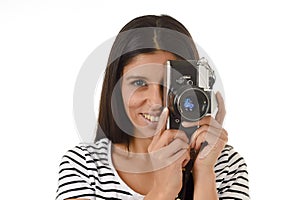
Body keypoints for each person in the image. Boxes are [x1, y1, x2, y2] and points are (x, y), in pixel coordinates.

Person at [56, 15, 249, 200]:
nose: (156, 101)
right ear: (116, 88)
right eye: (139, 83)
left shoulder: (225, 165)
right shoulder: (85, 165)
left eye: (169, 85)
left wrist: (203, 173)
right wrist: (162, 191)